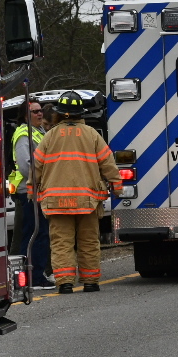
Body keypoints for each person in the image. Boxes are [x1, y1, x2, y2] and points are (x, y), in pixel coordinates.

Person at [31, 91, 119, 294]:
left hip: (56, 202)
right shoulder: (91, 134)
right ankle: (90, 282)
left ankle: (65, 282)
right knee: (88, 241)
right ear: (81, 113)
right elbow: (107, 162)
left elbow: (37, 166)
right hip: (86, 201)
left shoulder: (50, 136)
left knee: (61, 243)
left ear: (59, 113)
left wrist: (31, 190)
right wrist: (117, 185)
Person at [9, 100, 53, 289]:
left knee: (39, 233)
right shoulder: (23, 134)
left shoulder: (39, 132)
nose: (40, 114)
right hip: (28, 192)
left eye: (40, 110)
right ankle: (32, 278)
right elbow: (27, 166)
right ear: (25, 115)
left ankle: (35, 275)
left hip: (38, 190)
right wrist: (45, 178)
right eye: (35, 111)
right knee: (34, 234)